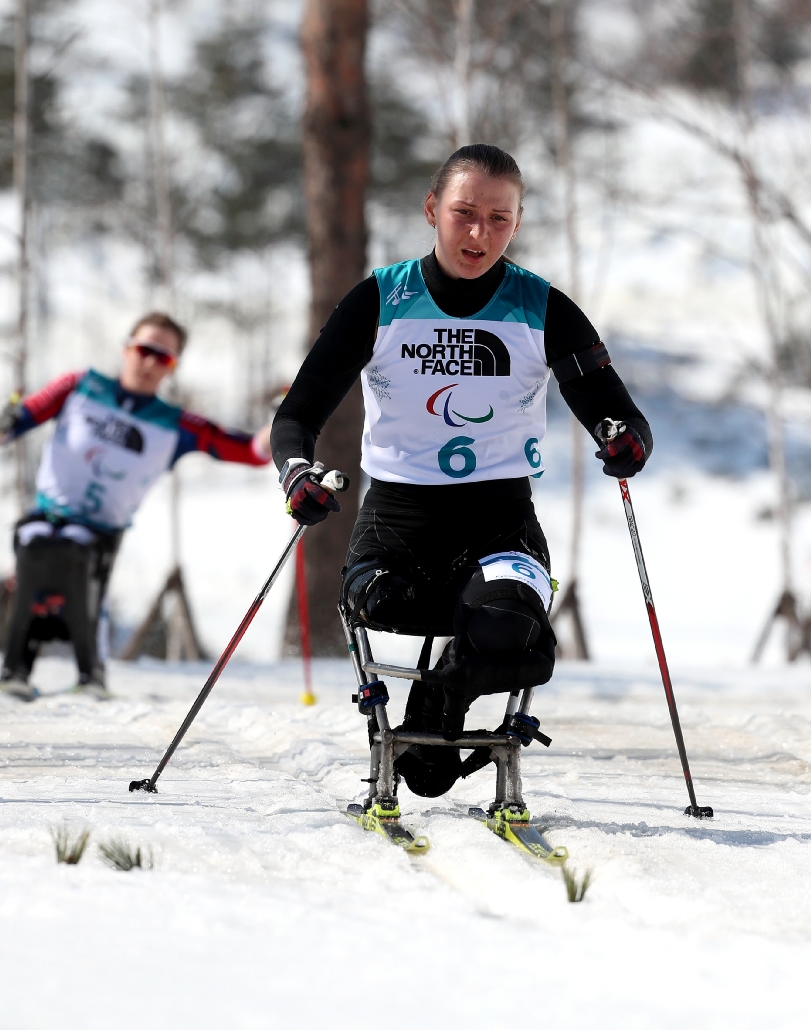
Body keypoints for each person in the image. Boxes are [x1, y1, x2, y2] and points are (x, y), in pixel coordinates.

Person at [271, 144, 651, 797]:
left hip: (500, 525)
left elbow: (621, 419)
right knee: (385, 606)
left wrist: (624, 444)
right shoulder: (381, 300)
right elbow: (296, 418)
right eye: (464, 213)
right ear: (431, 210)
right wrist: (296, 474)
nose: (479, 234)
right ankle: (439, 716)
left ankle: (436, 712)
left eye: (499, 219)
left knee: (508, 620)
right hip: (397, 528)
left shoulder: (543, 309)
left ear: (518, 222)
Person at [0, 312, 271, 697]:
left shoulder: (175, 423)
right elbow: (17, 421)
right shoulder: (81, 386)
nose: (151, 362)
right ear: (126, 349)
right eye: (145, 350)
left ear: (173, 368)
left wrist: (284, 420)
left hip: (100, 531)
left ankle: (91, 674)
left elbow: (252, 451)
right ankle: (15, 670)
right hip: (48, 514)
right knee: (35, 542)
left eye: (165, 358)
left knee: (77, 556)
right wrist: (2, 422)